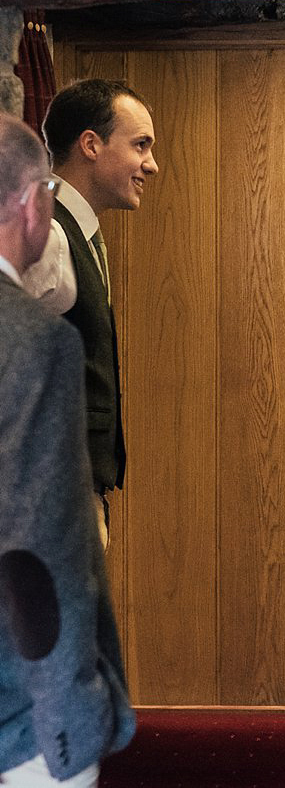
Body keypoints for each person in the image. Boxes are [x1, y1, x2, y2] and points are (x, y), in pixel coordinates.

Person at [0, 112, 136, 787]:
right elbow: (41, 546)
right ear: (30, 203)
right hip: (18, 706)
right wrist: (71, 715)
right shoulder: (33, 340)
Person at [23, 78, 159, 549]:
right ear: (91, 145)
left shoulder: (76, 234)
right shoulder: (47, 236)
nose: (152, 165)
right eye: (140, 144)